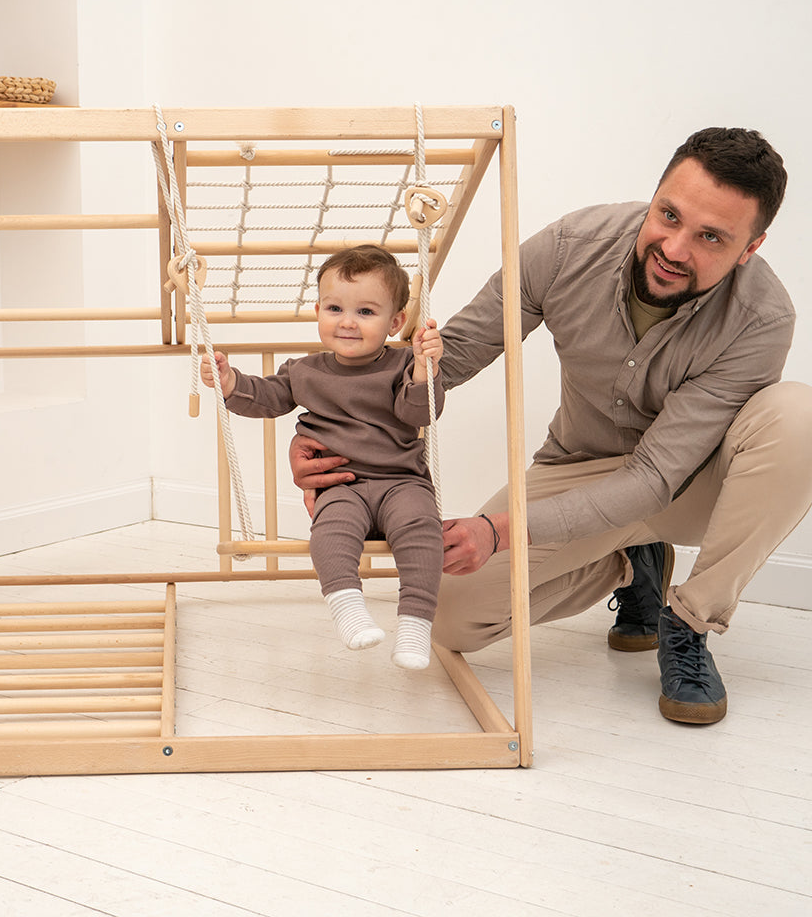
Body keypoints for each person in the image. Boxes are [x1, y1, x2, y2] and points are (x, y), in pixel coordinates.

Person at [291, 127, 812, 723]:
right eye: (668, 214)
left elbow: (653, 479)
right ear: (655, 195)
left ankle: (690, 621)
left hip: (690, 482)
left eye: (711, 237)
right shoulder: (569, 247)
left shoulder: (762, 317)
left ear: (751, 247)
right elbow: (450, 356)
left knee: (798, 416)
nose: (674, 247)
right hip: (580, 466)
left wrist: (502, 529)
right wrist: (326, 436)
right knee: (451, 617)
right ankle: (629, 563)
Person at [202, 244, 446, 669]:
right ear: (317, 311)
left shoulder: (406, 363)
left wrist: (426, 372)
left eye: (366, 312)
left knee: (423, 532)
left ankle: (415, 624)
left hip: (401, 481)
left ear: (396, 322)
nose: (347, 322)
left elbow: (418, 412)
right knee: (329, 535)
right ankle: (348, 607)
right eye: (335, 308)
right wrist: (228, 380)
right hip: (339, 483)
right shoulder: (304, 370)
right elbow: (265, 398)